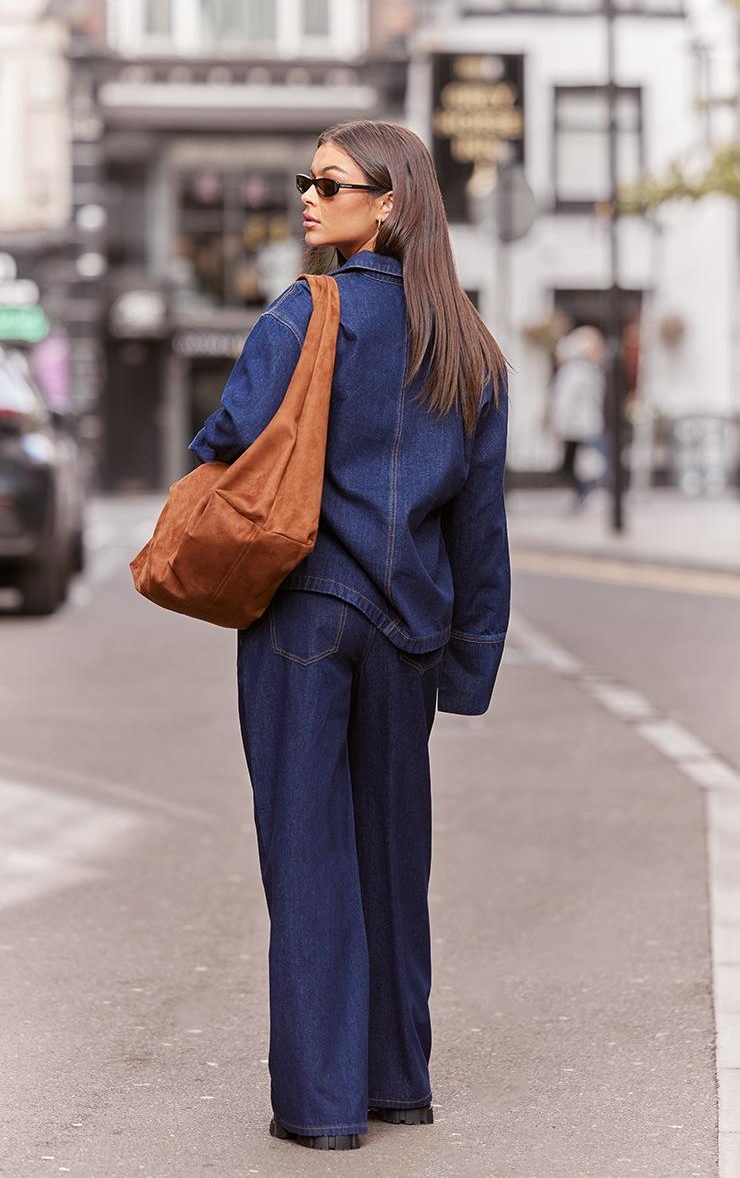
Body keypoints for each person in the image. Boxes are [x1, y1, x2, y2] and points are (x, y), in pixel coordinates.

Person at [188, 119, 511, 1151]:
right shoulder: (467, 343)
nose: (307, 199)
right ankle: (396, 1082)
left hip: (303, 618)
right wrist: (465, 664)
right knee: (390, 858)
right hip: (409, 631)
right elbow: (480, 528)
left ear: (391, 201)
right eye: (307, 182)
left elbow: (226, 442)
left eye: (329, 184)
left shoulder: (302, 312)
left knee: (309, 856)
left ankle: (323, 1108)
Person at [550, 325, 607, 509]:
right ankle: (585, 493)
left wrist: (558, 427)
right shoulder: (591, 371)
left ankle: (584, 493)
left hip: (575, 427)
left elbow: (564, 403)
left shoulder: (572, 373)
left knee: (575, 465)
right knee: (586, 462)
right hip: (588, 426)